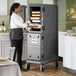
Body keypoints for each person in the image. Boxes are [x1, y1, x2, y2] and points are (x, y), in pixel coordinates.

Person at [9, 3, 37, 71]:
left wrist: (29, 24)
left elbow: (22, 23)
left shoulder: (17, 15)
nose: (21, 9)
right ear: (15, 9)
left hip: (19, 34)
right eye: (20, 7)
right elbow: (21, 24)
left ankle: (20, 67)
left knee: (19, 52)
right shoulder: (13, 16)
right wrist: (31, 26)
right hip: (15, 34)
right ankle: (11, 68)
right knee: (14, 52)